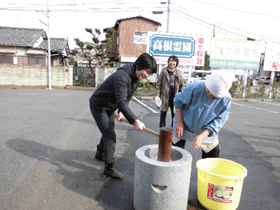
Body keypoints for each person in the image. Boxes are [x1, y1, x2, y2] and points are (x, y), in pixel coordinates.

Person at [89, 53, 157, 179]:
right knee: (110, 135)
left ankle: (100, 152)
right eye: (146, 71)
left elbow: (127, 97)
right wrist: (135, 120)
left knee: (108, 130)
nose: (146, 75)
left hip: (110, 107)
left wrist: (121, 111)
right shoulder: (122, 76)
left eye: (149, 73)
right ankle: (109, 168)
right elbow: (121, 101)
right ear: (138, 66)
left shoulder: (136, 78)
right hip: (99, 106)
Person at [172, 70, 234, 159]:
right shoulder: (195, 87)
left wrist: (202, 135)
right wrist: (179, 123)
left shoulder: (226, 99)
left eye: (214, 95)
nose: (210, 95)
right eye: (208, 91)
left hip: (206, 130)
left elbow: (219, 120)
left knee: (212, 155)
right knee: (174, 152)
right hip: (184, 123)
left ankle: (207, 172)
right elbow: (178, 102)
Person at [156, 55, 185, 128]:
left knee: (174, 114)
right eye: (171, 61)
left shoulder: (179, 73)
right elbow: (159, 84)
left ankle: (173, 131)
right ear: (168, 62)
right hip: (165, 95)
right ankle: (162, 130)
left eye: (174, 61)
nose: (172, 63)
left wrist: (182, 96)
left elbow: (182, 85)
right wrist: (157, 95)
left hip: (175, 96)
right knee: (163, 113)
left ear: (176, 63)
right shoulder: (164, 71)